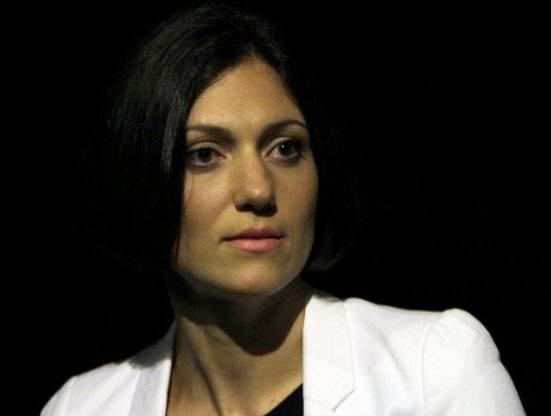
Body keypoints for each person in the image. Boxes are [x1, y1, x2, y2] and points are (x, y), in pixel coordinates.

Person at [42, 2, 526, 415]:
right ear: (140, 178)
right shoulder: (81, 407)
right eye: (205, 155)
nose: (258, 189)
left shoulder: (431, 372)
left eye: (285, 148)